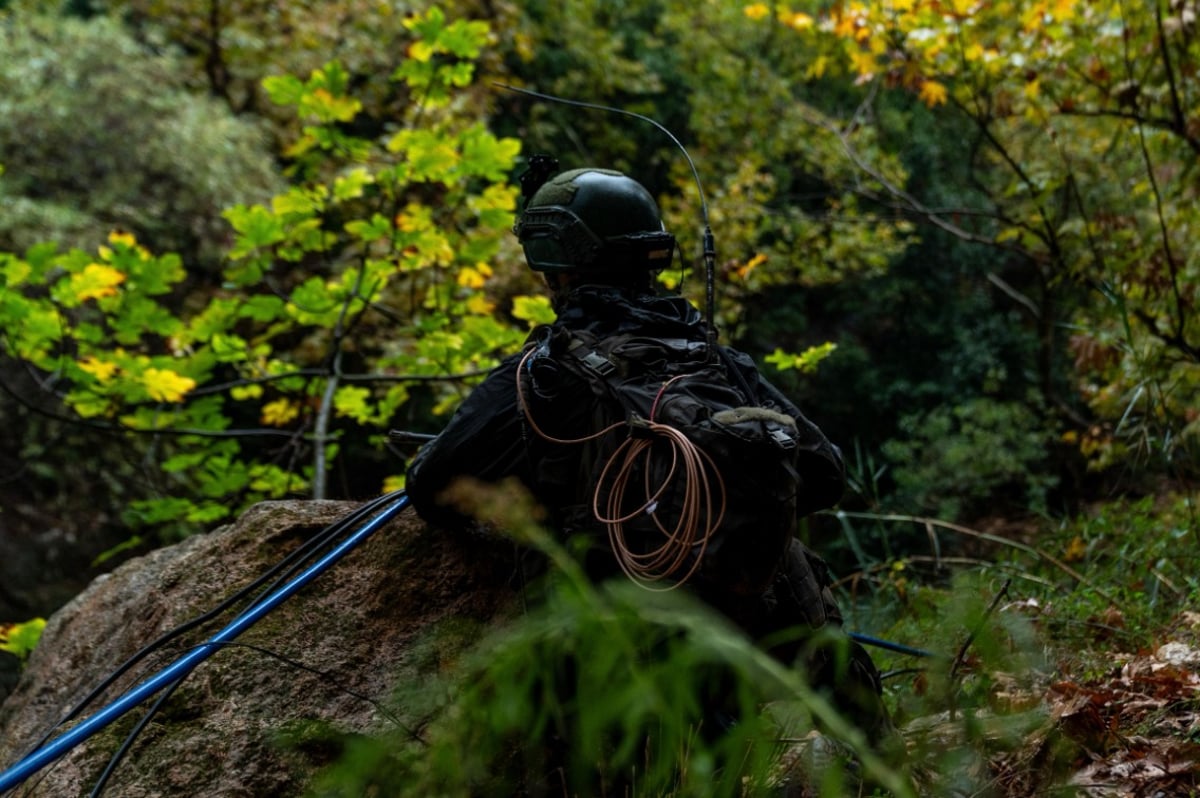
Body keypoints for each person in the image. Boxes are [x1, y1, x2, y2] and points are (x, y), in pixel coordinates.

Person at [404, 164, 894, 753]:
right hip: (768, 625)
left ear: (556, 265)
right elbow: (826, 473)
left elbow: (430, 486)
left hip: (627, 654)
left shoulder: (543, 376)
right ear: (651, 254)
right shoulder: (715, 361)